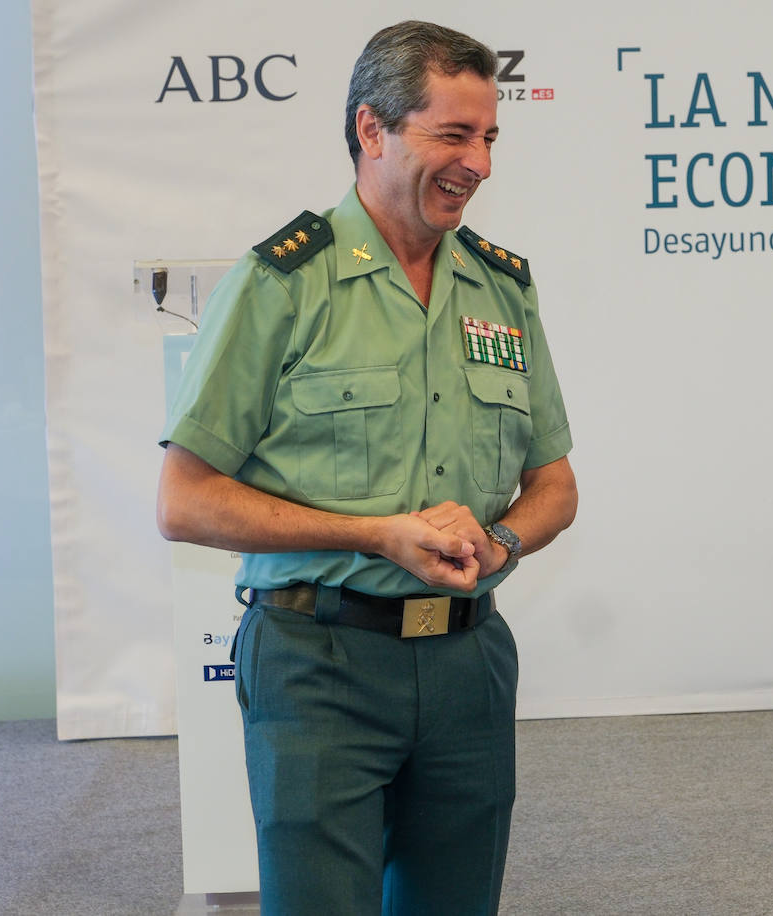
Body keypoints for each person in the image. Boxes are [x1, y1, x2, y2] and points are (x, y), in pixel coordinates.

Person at [156, 20, 576, 914]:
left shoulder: (503, 289)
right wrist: (372, 536)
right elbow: (184, 501)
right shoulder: (282, 284)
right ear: (371, 130)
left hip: (468, 662)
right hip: (319, 660)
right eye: (453, 134)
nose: (480, 163)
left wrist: (498, 544)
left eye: (490, 137)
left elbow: (554, 485)